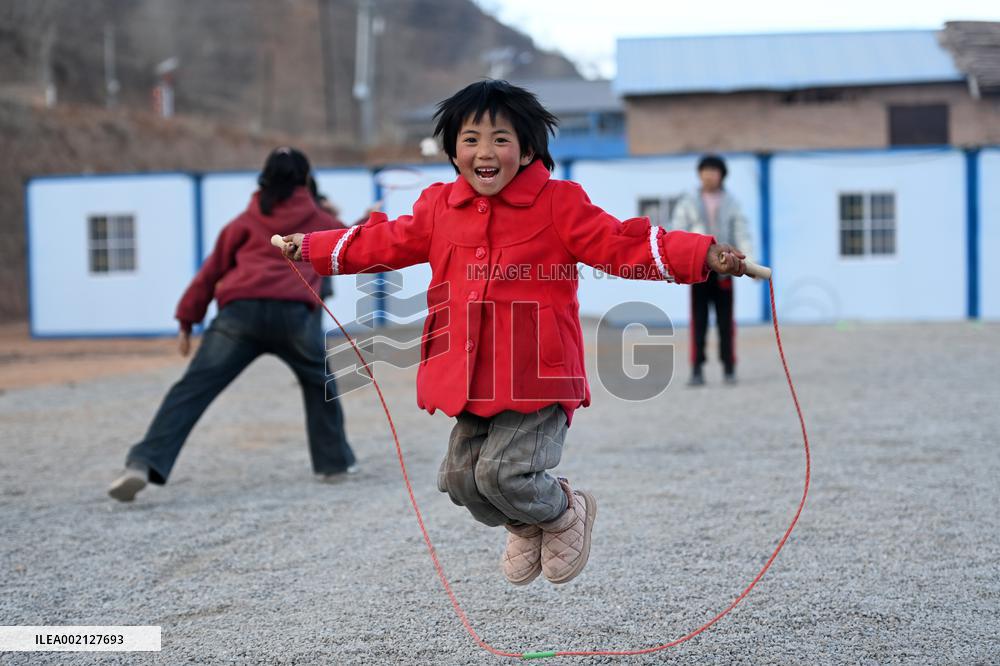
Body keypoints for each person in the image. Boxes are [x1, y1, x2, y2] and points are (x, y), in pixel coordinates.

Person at [280, 81, 745, 585]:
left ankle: (563, 511)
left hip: (535, 376)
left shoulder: (557, 203)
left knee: (501, 473)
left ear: (526, 149)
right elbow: (383, 240)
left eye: (501, 139)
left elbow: (619, 244)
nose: (485, 151)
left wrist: (700, 253)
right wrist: (310, 247)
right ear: (453, 149)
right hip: (469, 374)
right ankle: (526, 523)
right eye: (471, 138)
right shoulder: (439, 207)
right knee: (460, 481)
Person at [107, 147, 357, 502]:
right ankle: (333, 464)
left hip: (240, 314)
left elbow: (211, 273)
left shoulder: (243, 222)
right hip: (295, 317)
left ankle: (142, 464)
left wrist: (186, 319)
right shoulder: (319, 219)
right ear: (305, 180)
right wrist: (367, 218)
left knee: (192, 389)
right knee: (321, 386)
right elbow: (349, 243)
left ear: (264, 179)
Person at [670, 155, 753, 386]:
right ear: (699, 174)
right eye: (705, 170)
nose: (709, 175)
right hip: (699, 269)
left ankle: (729, 367)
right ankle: (697, 369)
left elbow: (742, 233)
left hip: (726, 269)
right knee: (699, 321)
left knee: (726, 321)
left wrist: (749, 263)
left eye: (714, 171)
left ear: (722, 175)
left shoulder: (731, 202)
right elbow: (677, 232)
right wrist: (677, 261)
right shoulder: (688, 201)